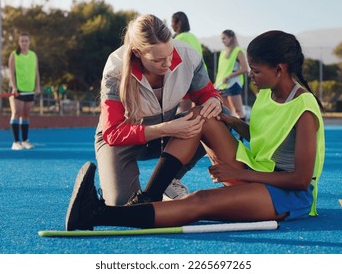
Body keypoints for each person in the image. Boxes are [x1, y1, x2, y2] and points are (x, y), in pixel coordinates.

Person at [66, 30, 326, 231]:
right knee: (202, 114)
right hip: (258, 170)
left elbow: (300, 180)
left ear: (279, 70)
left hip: (288, 194)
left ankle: (95, 214)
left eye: (256, 71)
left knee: (200, 201)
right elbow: (269, 139)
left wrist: (238, 174)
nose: (251, 76)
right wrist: (232, 122)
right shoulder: (269, 93)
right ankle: (149, 197)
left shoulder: (303, 108)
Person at [94, 14, 223, 206]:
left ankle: (167, 180)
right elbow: (112, 133)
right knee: (123, 204)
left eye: (170, 54)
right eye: (158, 60)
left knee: (220, 118)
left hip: (168, 135)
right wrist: (167, 128)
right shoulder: (115, 69)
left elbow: (207, 94)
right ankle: (111, 186)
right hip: (123, 139)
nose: (168, 63)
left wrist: (215, 100)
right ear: (137, 52)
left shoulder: (189, 56)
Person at [8, 31, 40, 150]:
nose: (24, 43)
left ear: (29, 42)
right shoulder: (14, 55)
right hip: (18, 90)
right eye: (22, 41)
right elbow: (11, 72)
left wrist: (37, 86)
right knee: (16, 113)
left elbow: (36, 72)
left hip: (30, 89)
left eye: (26, 41)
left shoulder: (33, 55)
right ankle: (16, 142)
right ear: (19, 42)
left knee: (26, 114)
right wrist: (14, 87)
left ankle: (25, 140)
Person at [171, 11, 206, 113]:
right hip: (201, 75)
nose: (171, 25)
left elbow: (173, 62)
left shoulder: (178, 39)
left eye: (172, 22)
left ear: (178, 23)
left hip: (185, 76)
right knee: (199, 111)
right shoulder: (194, 37)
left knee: (185, 112)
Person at [214, 30, 248, 121]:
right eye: (221, 39)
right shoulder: (222, 52)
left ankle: (243, 134)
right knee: (226, 112)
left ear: (231, 38)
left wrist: (230, 76)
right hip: (221, 85)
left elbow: (245, 68)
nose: (222, 40)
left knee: (238, 111)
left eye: (224, 38)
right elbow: (221, 70)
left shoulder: (238, 51)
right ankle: (229, 133)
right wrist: (216, 83)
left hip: (233, 84)